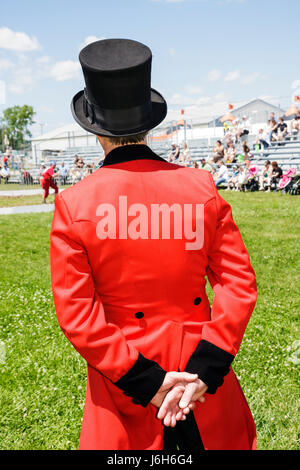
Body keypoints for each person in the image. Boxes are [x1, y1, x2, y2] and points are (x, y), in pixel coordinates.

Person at [50, 38, 257, 451]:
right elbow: (239, 285)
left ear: (94, 130)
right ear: (149, 121)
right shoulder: (201, 187)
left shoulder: (75, 203)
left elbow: (78, 316)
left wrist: (147, 382)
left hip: (124, 387)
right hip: (203, 381)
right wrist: (204, 370)